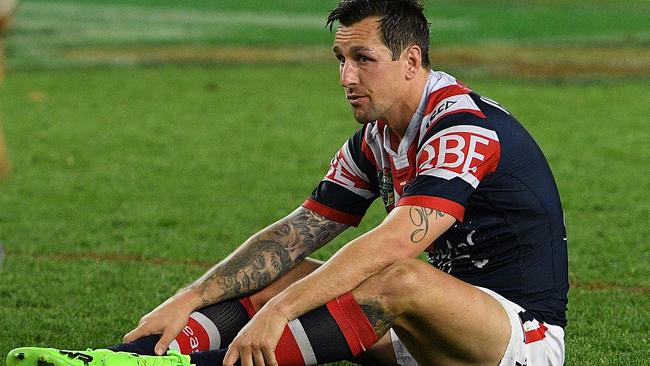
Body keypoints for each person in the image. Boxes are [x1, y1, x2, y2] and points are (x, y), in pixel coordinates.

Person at [7, 0, 568, 365]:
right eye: (339, 58)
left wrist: (282, 313)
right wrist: (190, 296)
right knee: (278, 271)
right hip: (420, 337)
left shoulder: (460, 125)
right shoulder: (374, 139)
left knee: (398, 277)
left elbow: (398, 241)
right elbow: (296, 234)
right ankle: (122, 357)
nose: (346, 76)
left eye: (362, 59)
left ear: (411, 59)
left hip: (517, 339)